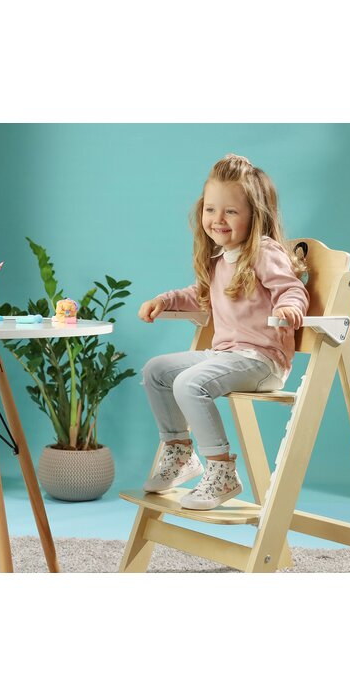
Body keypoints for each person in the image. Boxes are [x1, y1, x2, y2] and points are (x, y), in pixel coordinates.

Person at [138, 153, 309, 511]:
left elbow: (291, 288)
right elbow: (199, 294)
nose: (218, 219)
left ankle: (221, 471)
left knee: (189, 384)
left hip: (263, 361)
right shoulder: (219, 258)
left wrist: (289, 307)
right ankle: (180, 454)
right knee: (156, 370)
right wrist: (164, 300)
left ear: (254, 215)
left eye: (230, 211)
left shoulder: (264, 251)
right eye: (211, 209)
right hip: (226, 356)